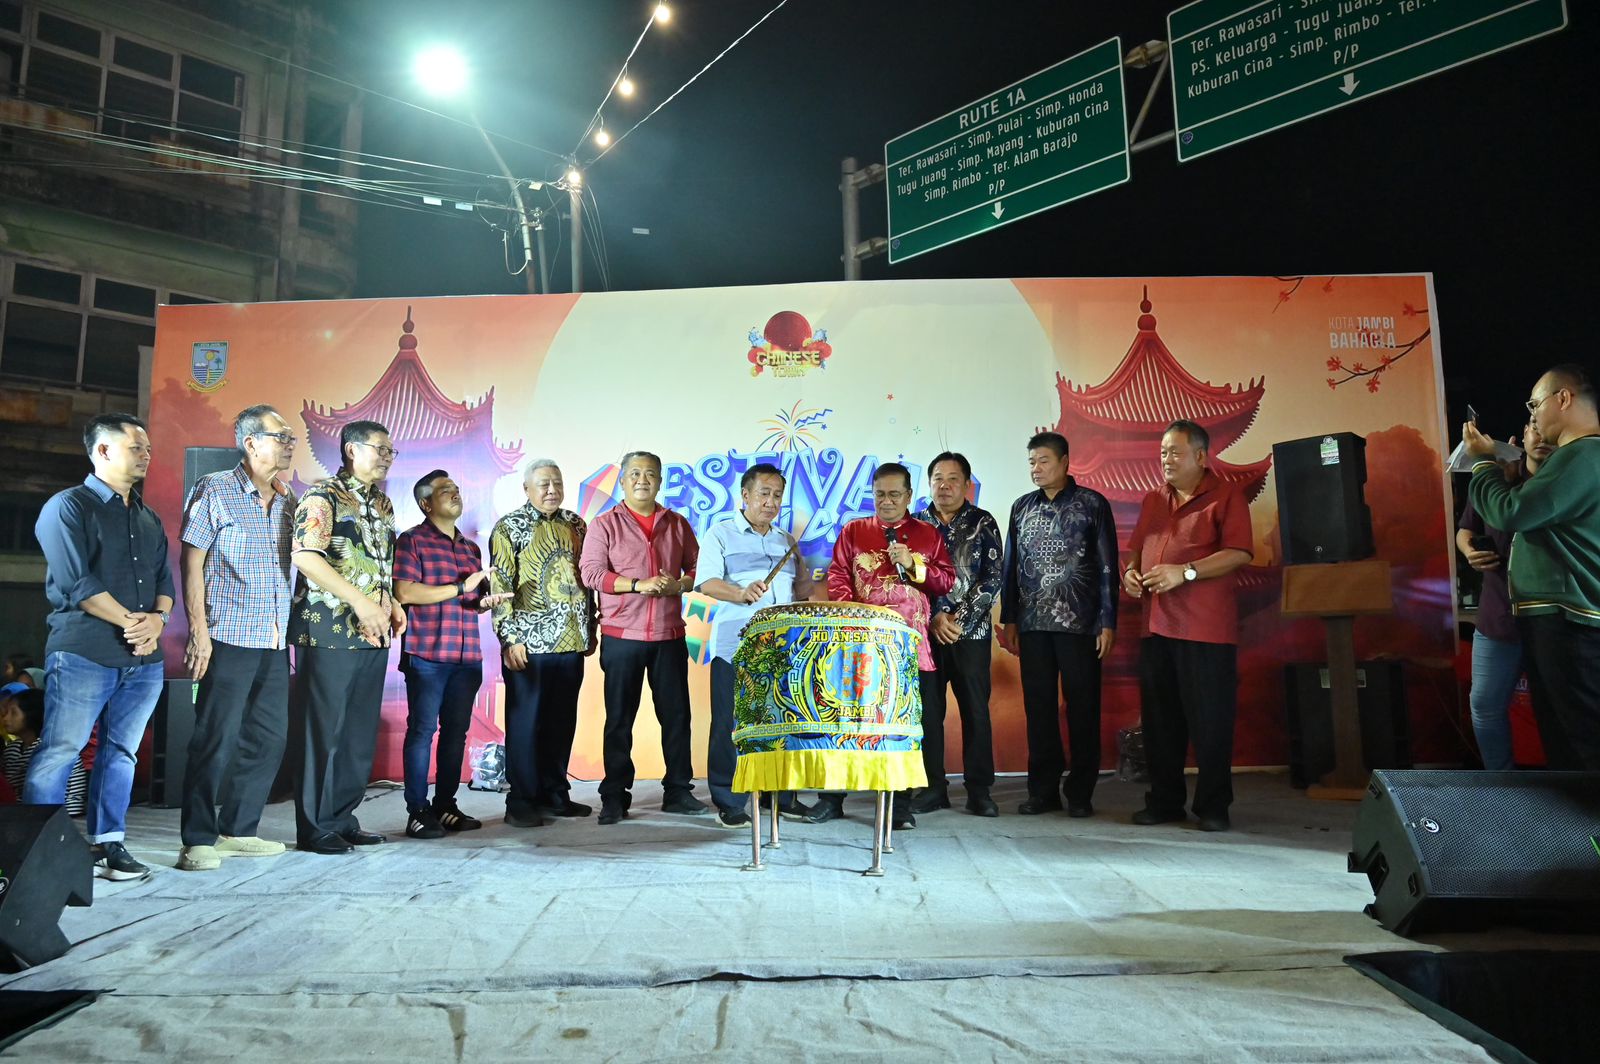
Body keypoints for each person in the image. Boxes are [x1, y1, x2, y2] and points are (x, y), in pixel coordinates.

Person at [28, 413, 172, 879]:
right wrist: (137, 623)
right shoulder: (67, 507)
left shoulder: (147, 517)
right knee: (61, 750)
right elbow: (79, 585)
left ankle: (109, 844)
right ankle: (38, 856)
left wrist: (158, 620)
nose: (146, 455)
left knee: (122, 752)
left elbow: (164, 581)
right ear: (103, 450)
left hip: (143, 659)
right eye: (136, 447)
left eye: (147, 448)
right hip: (84, 652)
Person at [175, 405, 298, 872]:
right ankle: (197, 839)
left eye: (290, 437)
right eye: (280, 436)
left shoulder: (289, 500)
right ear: (250, 442)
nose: (289, 444)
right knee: (215, 737)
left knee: (269, 738)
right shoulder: (215, 490)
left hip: (274, 638)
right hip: (228, 634)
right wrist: (198, 632)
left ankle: (239, 830)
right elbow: (192, 563)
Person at [1464, 363, 1600, 770]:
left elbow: (1513, 512)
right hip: (1561, 620)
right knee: (1565, 734)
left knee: (1578, 741)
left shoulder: (1584, 455)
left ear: (1564, 398)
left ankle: (1582, 811)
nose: (1534, 417)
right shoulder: (1578, 458)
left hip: (1568, 621)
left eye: (1535, 404)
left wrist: (1482, 463)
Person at [1123, 420, 1253, 832]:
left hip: (1204, 631)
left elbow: (1239, 552)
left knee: (1210, 720)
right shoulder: (1153, 499)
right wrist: (1129, 574)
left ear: (1200, 456)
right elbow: (1137, 551)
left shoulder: (1226, 496)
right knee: (1160, 722)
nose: (1166, 459)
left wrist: (1187, 571)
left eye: (1175, 452)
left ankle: (1213, 807)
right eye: (1163, 452)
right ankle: (1165, 802)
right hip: (1156, 626)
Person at [817, 462, 956, 829]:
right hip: (860, 645)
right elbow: (838, 574)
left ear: (909, 496)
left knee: (904, 728)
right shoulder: (854, 530)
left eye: (895, 494)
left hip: (910, 649)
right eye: (880, 494)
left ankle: (899, 806)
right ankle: (831, 799)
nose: (887, 501)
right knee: (844, 721)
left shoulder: (928, 534)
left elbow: (945, 582)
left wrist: (913, 565)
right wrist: (852, 615)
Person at [289, 420, 405, 854]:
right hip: (328, 631)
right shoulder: (323, 496)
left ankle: (341, 817)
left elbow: (380, 564)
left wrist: (391, 602)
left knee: (357, 733)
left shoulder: (383, 504)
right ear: (352, 450)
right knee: (322, 733)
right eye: (380, 448)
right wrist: (360, 601)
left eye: (391, 451)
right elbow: (306, 556)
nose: (387, 456)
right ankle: (314, 827)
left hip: (373, 634)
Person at [578, 450, 707, 824]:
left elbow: (698, 568)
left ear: (660, 481)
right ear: (622, 480)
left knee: (677, 717)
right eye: (634, 473)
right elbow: (591, 573)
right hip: (622, 637)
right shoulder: (605, 525)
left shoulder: (677, 523)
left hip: (669, 636)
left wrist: (679, 585)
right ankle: (615, 796)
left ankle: (678, 792)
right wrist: (638, 584)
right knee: (619, 720)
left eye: (650, 474)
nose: (642, 480)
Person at [997, 432, 1119, 817]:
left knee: (1083, 707)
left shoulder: (1092, 504)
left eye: (1044, 461)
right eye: (1032, 462)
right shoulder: (1021, 507)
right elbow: (1010, 567)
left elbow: (1107, 565)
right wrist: (1010, 618)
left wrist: (1108, 620)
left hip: (1081, 624)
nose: (1036, 468)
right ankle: (1042, 791)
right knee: (1039, 709)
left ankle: (1080, 793)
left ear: (1065, 462)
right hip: (1033, 624)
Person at [695, 463, 819, 828]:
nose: (771, 502)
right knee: (730, 725)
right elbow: (706, 582)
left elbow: (800, 591)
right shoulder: (720, 533)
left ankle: (781, 797)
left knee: (783, 721)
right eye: (764, 493)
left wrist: (806, 584)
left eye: (777, 495)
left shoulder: (787, 541)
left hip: (783, 648)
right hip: (736, 645)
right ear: (745, 495)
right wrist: (739, 592)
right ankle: (729, 801)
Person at [394, 470, 509, 840]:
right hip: (427, 654)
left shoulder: (470, 548)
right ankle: (417, 811)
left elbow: (471, 600)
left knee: (456, 733)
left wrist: (482, 602)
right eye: (446, 491)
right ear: (426, 504)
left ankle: (445, 805)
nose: (455, 494)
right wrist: (460, 587)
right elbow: (406, 592)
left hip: (466, 657)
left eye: (456, 489)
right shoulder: (411, 541)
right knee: (422, 731)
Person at [488, 459, 597, 827]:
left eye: (557, 483)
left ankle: (555, 794)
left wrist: (590, 628)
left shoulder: (576, 524)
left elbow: (585, 580)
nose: (552, 490)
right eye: (543, 484)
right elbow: (500, 585)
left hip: (571, 640)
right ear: (526, 489)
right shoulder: (509, 527)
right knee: (525, 725)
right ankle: (520, 801)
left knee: (561, 723)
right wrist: (509, 638)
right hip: (529, 645)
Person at [1455, 420, 1552, 769]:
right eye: (1534, 428)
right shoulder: (1495, 478)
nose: (1541, 436)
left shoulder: (1565, 482)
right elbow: (1466, 530)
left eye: (1548, 430)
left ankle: (1565, 785)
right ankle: (1502, 780)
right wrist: (1469, 551)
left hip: (1553, 622)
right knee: (1484, 706)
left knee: (1560, 709)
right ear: (1521, 437)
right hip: (1497, 618)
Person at [912, 452, 1003, 817]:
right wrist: (936, 617)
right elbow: (907, 580)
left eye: (953, 479)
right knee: (927, 714)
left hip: (972, 635)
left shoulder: (983, 522)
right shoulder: (915, 525)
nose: (944, 486)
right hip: (926, 637)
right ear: (929, 483)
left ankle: (979, 791)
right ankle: (932, 788)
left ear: (967, 484)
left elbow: (992, 578)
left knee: (976, 713)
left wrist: (958, 619)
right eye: (938, 478)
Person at [3, 685, 88, 815]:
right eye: (6, 712)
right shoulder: (12, 750)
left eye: (13, 713)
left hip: (65, 815)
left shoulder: (52, 748)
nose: (5, 718)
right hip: (24, 814)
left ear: (32, 715)